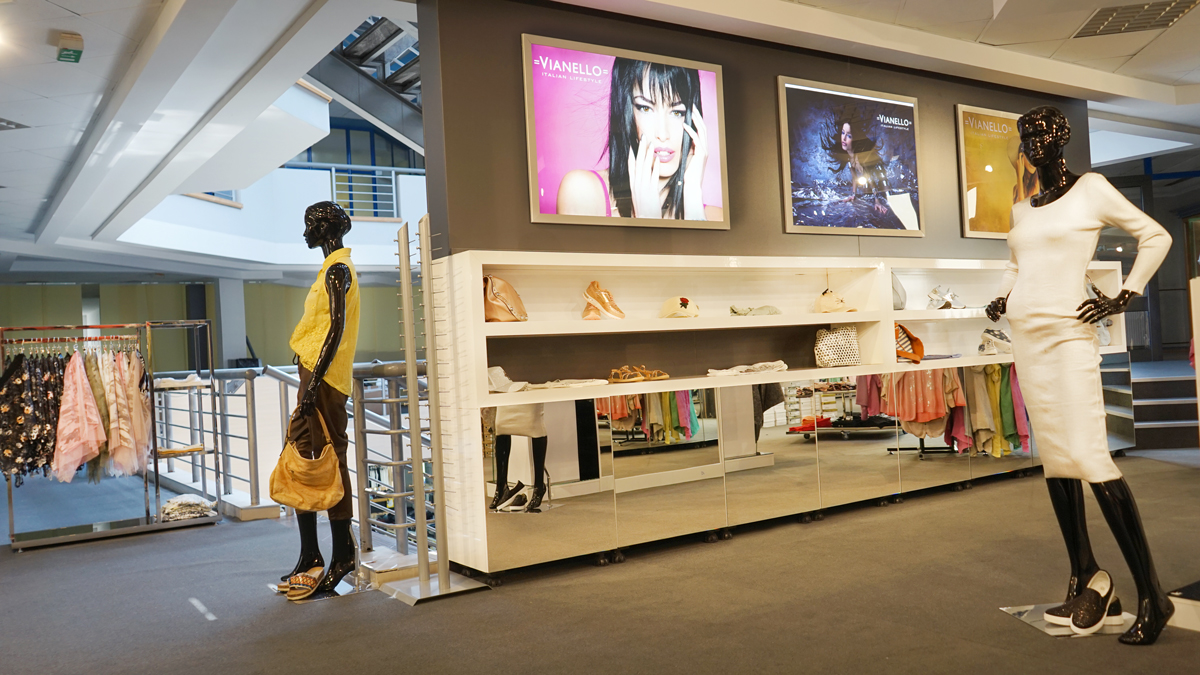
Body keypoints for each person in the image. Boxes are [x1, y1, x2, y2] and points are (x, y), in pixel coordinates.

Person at [986, 106, 1173, 645]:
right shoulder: (1023, 209)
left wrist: (1124, 294)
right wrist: (1002, 296)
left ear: (1063, 136)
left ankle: (1152, 595)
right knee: (1055, 459)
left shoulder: (1091, 189)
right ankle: (1086, 576)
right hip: (1027, 339)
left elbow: (1155, 236)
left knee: (1090, 456)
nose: (1034, 142)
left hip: (1069, 336)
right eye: (1026, 135)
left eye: (1043, 132)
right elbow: (1017, 265)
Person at [279, 201, 361, 600]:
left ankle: (342, 554)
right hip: (315, 376)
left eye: (309, 225)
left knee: (327, 459)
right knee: (304, 455)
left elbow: (336, 328)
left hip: (323, 380)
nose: (305, 232)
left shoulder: (338, 270)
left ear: (326, 228)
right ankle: (311, 553)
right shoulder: (331, 268)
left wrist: (312, 389)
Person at [556, 57, 721, 221]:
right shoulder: (582, 192)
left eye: (677, 112)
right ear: (625, 112)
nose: (663, 134)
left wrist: (693, 198)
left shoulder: (714, 218)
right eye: (645, 108)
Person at [820, 116, 904, 229]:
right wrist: (853, 194)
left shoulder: (859, 158)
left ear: (854, 139)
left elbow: (870, 178)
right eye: (843, 133)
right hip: (870, 183)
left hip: (879, 180)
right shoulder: (849, 158)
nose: (843, 138)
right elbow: (854, 178)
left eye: (849, 136)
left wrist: (877, 200)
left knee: (886, 205)